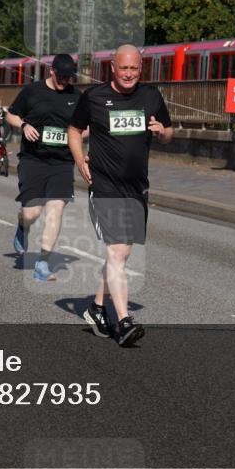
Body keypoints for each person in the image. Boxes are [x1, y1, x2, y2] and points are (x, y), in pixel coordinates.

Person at [68, 44, 173, 347]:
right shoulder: (94, 97)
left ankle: (97, 308)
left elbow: (169, 133)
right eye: (123, 68)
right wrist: (79, 160)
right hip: (104, 184)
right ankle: (124, 321)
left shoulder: (151, 95)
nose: (129, 74)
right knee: (118, 252)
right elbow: (74, 130)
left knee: (120, 254)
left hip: (136, 187)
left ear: (141, 69)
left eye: (134, 69)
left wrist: (160, 131)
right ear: (112, 68)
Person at [4, 54, 83, 281]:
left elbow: (85, 127)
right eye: (62, 76)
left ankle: (43, 263)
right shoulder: (33, 91)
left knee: (55, 209)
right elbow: (11, 114)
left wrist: (77, 136)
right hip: (33, 160)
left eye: (69, 77)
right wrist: (24, 124)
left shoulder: (76, 97)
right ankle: (23, 226)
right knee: (32, 212)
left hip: (62, 162)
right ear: (52, 71)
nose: (65, 81)